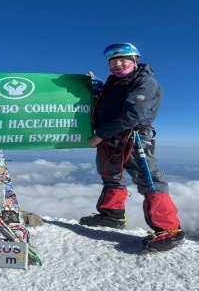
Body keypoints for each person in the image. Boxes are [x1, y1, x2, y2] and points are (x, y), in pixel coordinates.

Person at [79, 43, 185, 252]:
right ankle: (112, 216)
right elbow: (104, 104)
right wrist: (93, 84)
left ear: (135, 60)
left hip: (133, 138)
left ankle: (170, 229)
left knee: (149, 180)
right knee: (111, 175)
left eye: (123, 60)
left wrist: (100, 135)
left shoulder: (145, 82)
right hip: (111, 139)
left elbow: (132, 114)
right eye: (113, 61)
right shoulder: (113, 84)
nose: (117, 64)